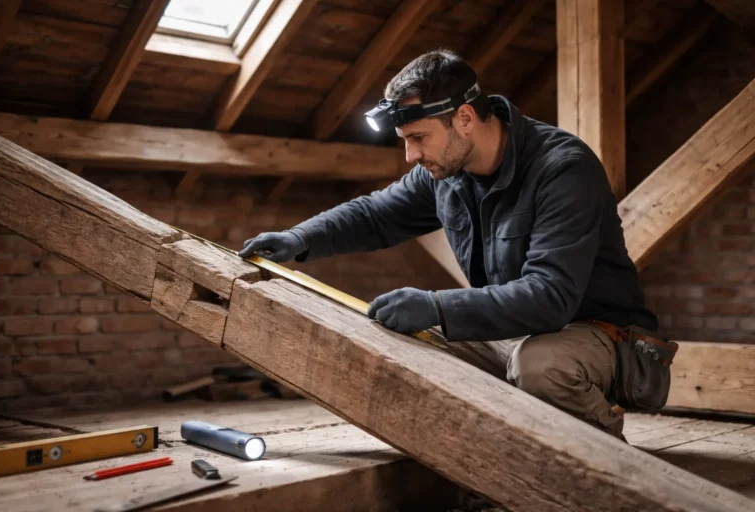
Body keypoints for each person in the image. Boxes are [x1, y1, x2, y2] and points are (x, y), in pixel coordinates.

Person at [239, 49, 659, 440]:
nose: (409, 155)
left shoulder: (562, 169)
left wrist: (437, 306)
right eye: (405, 140)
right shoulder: (447, 172)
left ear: (463, 118)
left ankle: (618, 468)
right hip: (517, 330)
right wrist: (301, 238)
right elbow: (375, 214)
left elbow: (550, 297)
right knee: (404, 342)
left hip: (600, 335)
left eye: (418, 138)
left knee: (541, 367)